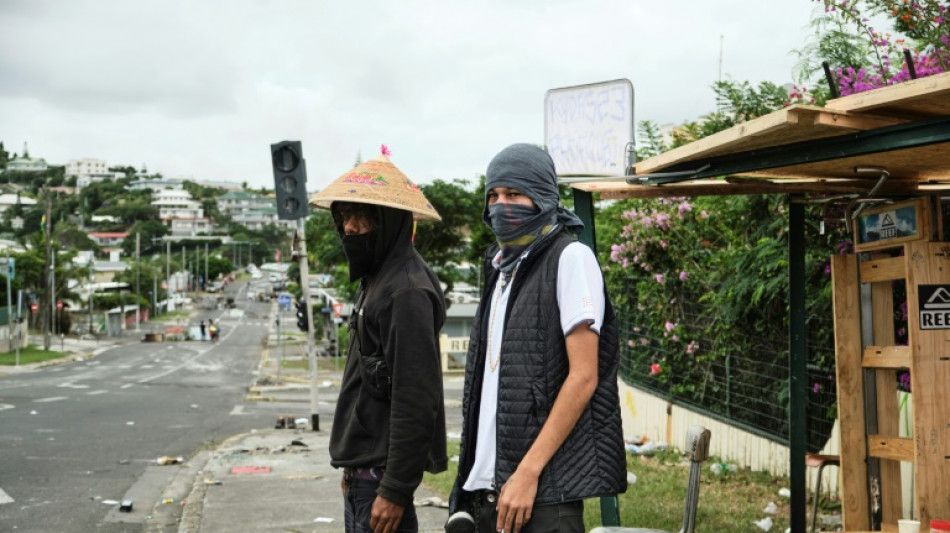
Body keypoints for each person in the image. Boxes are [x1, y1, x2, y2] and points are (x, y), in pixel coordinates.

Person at [448, 143, 627, 533]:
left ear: (543, 197)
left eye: (514, 194)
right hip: (492, 493)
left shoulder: (571, 258)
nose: (501, 205)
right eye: (493, 196)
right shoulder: (501, 268)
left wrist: (528, 472)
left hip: (542, 497)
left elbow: (584, 376)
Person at [311, 146, 448, 533]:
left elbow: (415, 398)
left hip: (381, 483)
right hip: (364, 477)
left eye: (365, 217)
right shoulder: (378, 277)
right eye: (345, 216)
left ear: (389, 222)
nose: (351, 228)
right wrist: (353, 469)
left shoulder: (406, 291)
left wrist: (395, 489)